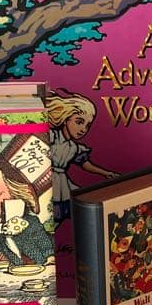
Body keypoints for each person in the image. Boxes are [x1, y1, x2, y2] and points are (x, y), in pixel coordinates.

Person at [0, 152, 54, 272]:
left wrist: (50, 256)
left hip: (42, 268)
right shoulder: (0, 228)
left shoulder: (30, 221)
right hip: (20, 272)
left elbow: (42, 239)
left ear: (15, 191)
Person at [45, 90, 116, 224]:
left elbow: (85, 164)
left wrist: (105, 173)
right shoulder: (53, 136)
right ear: (66, 119)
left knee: (77, 211)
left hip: (63, 185)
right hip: (48, 182)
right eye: (79, 122)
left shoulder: (74, 147)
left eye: (87, 125)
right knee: (50, 216)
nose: (83, 129)